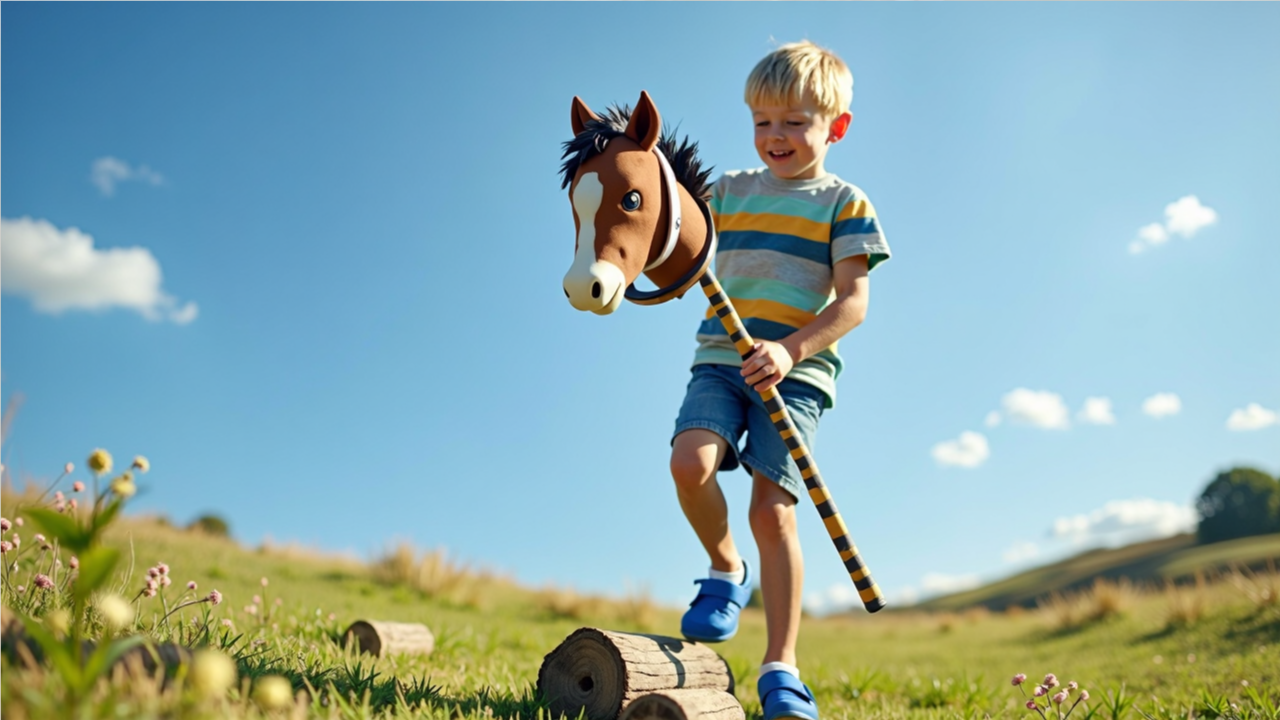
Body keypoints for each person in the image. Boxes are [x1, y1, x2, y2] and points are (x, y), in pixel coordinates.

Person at [669, 40, 891, 720]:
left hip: (797, 378)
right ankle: (724, 569)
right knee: (690, 462)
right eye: (763, 122)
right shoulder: (728, 193)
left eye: (794, 122)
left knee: (774, 511)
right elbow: (674, 234)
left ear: (836, 127)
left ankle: (781, 666)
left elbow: (853, 302)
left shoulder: (844, 204)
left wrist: (792, 351)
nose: (776, 136)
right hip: (721, 359)